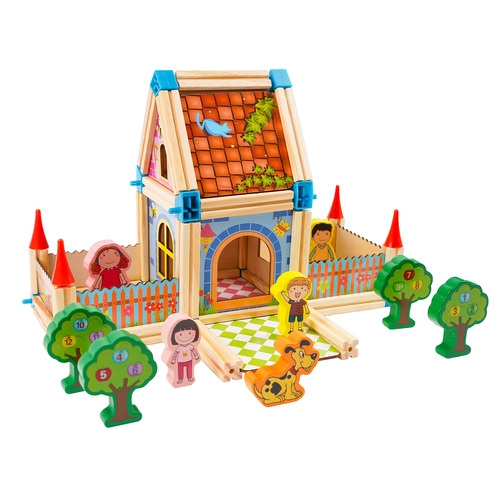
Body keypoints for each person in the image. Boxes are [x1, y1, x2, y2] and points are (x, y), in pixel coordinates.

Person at [169, 318, 200, 384]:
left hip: (189, 360)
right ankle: (180, 379)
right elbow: (175, 354)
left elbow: (194, 351)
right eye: (180, 334)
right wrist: (173, 360)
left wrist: (196, 356)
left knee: (189, 369)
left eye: (190, 333)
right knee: (180, 370)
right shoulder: (179, 348)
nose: (185, 336)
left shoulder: (190, 346)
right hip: (180, 361)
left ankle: (189, 377)